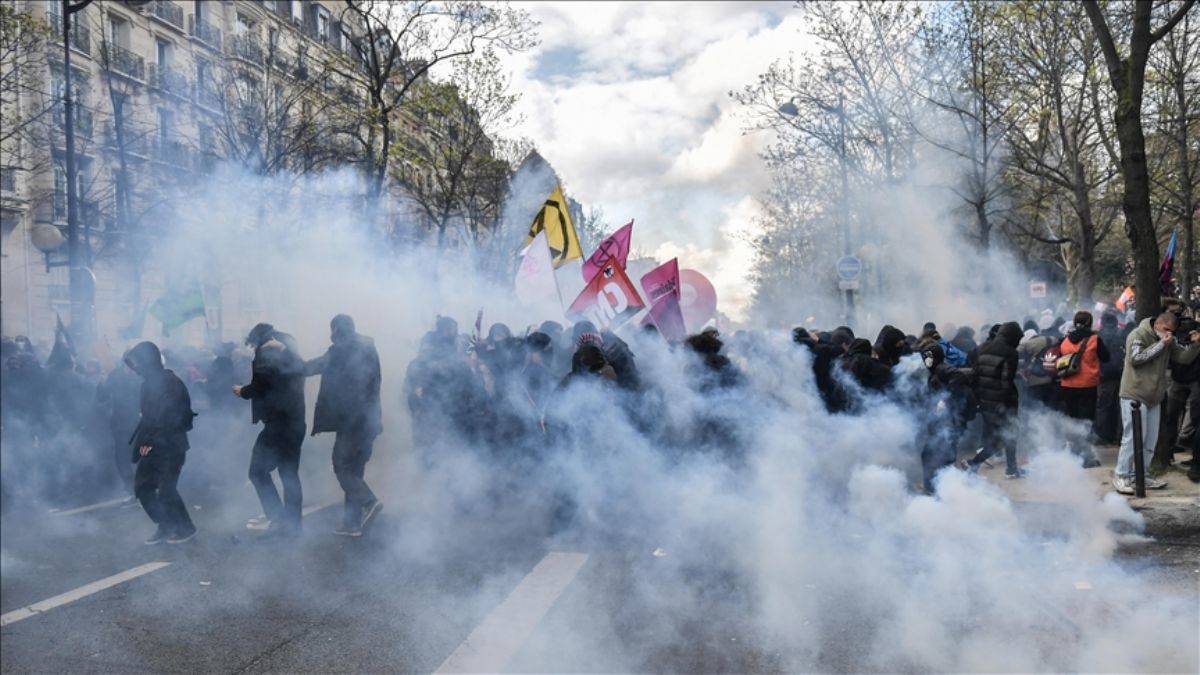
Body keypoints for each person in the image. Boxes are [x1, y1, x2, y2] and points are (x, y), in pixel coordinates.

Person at [305, 315, 383, 537]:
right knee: (354, 471)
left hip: (352, 422)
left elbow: (312, 367)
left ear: (336, 329)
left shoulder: (340, 350)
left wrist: (285, 359)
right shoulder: (369, 348)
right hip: (370, 420)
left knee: (341, 466)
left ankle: (369, 501)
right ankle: (352, 523)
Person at [1113, 311, 1200, 494]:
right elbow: (1136, 359)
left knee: (1150, 439)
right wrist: (1161, 344)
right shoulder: (1138, 334)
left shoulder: (1169, 340)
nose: (1169, 334)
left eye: (1172, 332)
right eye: (1166, 329)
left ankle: (1141, 475)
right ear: (1158, 324)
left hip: (1154, 396)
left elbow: (1184, 358)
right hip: (1134, 393)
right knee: (1132, 437)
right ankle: (1121, 475)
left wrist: (1196, 344)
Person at [235, 323, 306, 536]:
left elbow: (263, 384)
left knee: (257, 472)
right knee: (289, 474)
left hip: (278, 424)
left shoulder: (267, 348)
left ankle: (278, 520)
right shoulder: (287, 343)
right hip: (294, 421)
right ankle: (292, 526)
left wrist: (242, 391)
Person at [125, 341, 197, 545]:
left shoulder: (170, 382)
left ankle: (186, 528)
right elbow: (149, 417)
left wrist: (151, 438)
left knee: (166, 489)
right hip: (152, 444)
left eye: (138, 362)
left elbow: (168, 417)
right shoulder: (147, 384)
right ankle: (166, 524)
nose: (136, 367)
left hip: (171, 445)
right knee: (143, 487)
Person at [966, 321, 1024, 478]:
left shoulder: (983, 348)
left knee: (1002, 437)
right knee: (1008, 436)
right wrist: (1006, 404)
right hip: (1003, 403)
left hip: (986, 402)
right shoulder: (1010, 353)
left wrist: (979, 401)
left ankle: (1011, 469)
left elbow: (976, 376)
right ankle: (977, 463)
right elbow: (1006, 381)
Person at [919, 343, 975, 493]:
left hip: (948, 422)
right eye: (925, 358)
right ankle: (938, 487)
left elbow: (959, 376)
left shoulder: (941, 368)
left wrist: (944, 399)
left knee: (939, 455)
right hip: (942, 422)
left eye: (929, 357)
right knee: (938, 455)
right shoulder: (935, 371)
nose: (926, 361)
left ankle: (939, 488)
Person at [1057, 311, 1107, 468]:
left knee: (1072, 420)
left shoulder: (1065, 340)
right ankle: (1086, 457)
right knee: (1086, 422)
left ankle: (1073, 453)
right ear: (1089, 322)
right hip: (1087, 385)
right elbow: (1106, 357)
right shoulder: (1094, 339)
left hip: (1067, 385)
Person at [95, 359, 143, 499]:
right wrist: (102, 384)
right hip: (120, 423)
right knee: (122, 457)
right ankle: (130, 487)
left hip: (139, 422)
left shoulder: (141, 376)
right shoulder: (115, 376)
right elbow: (102, 397)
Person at [1094, 311, 1125, 444]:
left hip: (1104, 375)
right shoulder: (1121, 334)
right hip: (1120, 374)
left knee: (1103, 406)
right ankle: (1119, 436)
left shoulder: (1098, 336)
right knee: (1120, 407)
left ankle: (1102, 436)